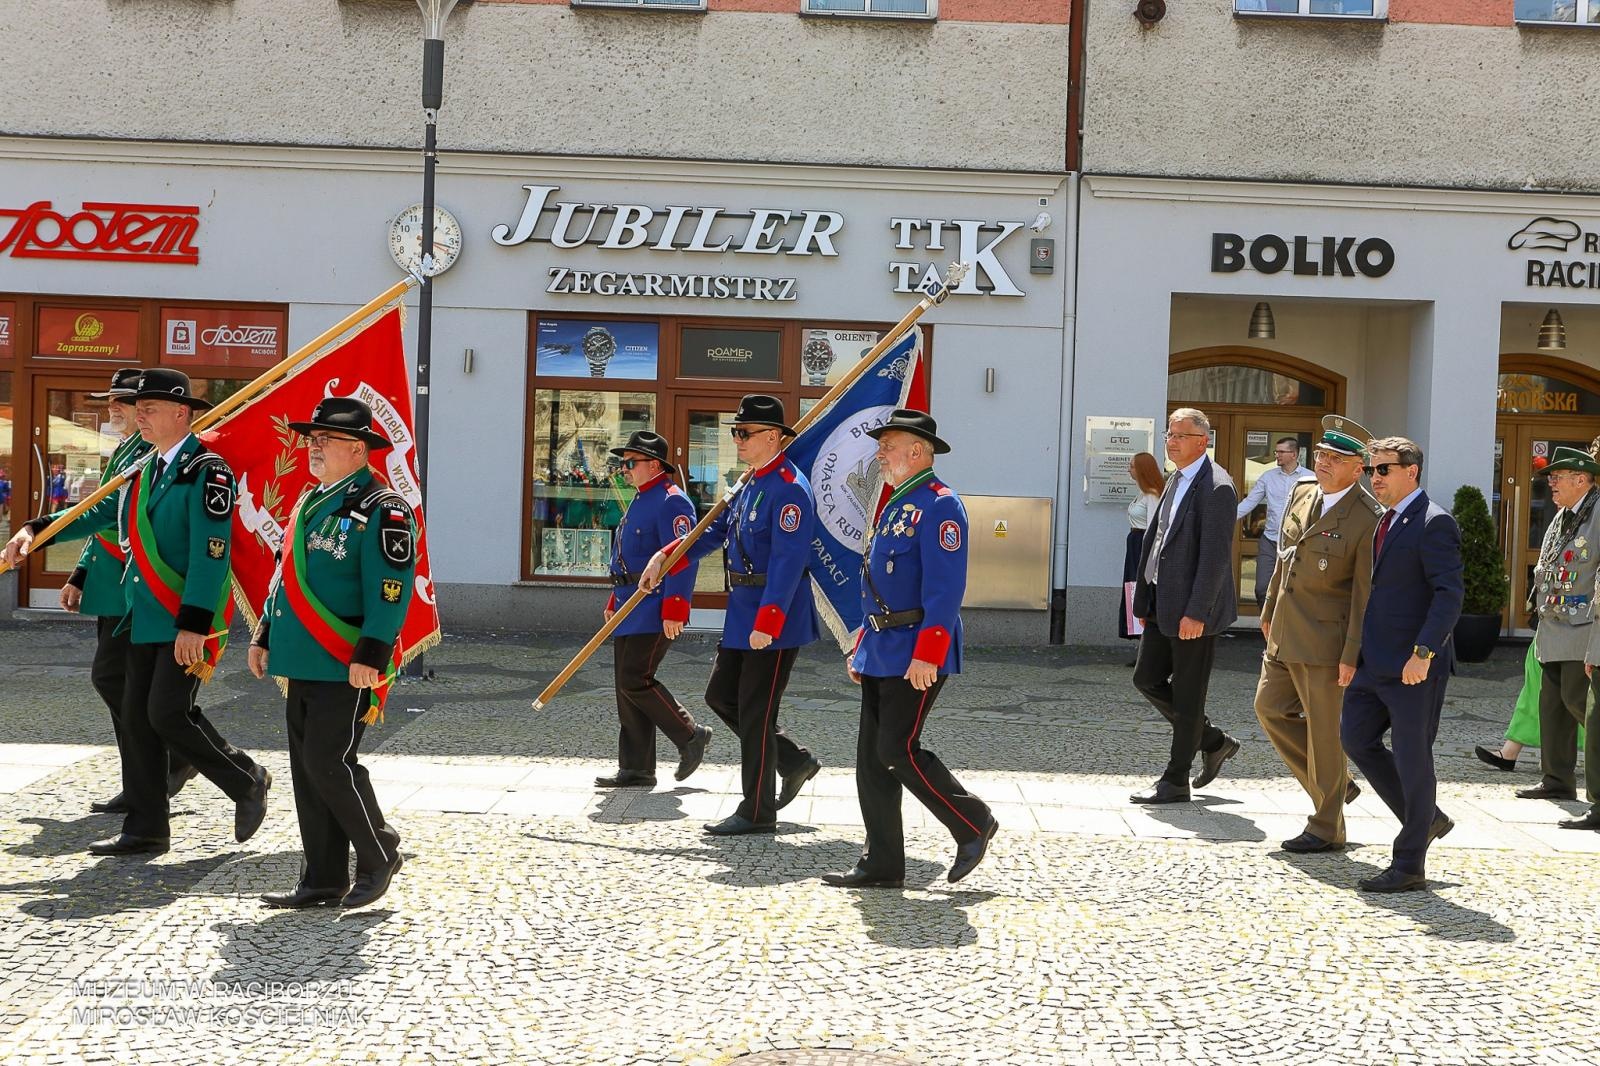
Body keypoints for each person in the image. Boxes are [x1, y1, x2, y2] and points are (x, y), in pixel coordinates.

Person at [21, 369, 270, 856]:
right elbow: (100, 514)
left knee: (167, 714)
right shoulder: (145, 468)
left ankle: (246, 780)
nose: (140, 417)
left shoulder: (208, 471)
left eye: (150, 409)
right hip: (142, 611)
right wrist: (37, 528)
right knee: (136, 717)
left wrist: (195, 623)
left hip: (183, 615)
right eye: (138, 409)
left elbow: (212, 550)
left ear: (182, 414)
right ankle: (146, 828)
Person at [2, 368, 196, 815]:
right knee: (122, 685)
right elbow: (101, 514)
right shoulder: (128, 450)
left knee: (127, 686)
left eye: (123, 402)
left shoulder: (155, 453)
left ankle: (175, 760)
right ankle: (149, 774)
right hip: (116, 584)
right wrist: (80, 570)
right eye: (114, 401)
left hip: (144, 589)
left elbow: (110, 517)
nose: (113, 408)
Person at [248, 398, 414, 908]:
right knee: (307, 766)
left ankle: (377, 853)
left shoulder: (382, 508)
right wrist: (265, 635)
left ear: (359, 449)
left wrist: (371, 653)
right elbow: (285, 578)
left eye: (324, 440)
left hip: (347, 660)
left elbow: (391, 588)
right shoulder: (311, 500)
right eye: (311, 439)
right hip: (302, 658)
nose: (312, 447)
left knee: (330, 761)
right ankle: (322, 877)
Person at [821, 410, 997, 889]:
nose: (879, 453)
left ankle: (971, 822)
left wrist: (930, 652)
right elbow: (877, 581)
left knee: (896, 749)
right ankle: (882, 863)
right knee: (871, 761)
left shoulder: (941, 505)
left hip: (917, 647)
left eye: (888, 445)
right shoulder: (896, 503)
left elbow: (945, 588)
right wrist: (863, 646)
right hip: (883, 646)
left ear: (917, 451)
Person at [640, 395, 821, 836]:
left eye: (746, 433)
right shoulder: (749, 482)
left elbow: (787, 561)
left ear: (774, 437)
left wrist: (769, 622)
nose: (737, 438)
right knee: (721, 697)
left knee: (757, 713)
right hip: (743, 611)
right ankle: (794, 760)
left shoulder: (790, 488)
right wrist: (666, 556)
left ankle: (757, 811)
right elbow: (712, 534)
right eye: (735, 432)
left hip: (772, 617)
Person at [1339, 436, 1463, 892]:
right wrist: (1353, 658)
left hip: (1414, 664)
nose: (1376, 478)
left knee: (1414, 760)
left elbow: (1449, 594)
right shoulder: (1384, 521)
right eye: (1372, 470)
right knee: (1355, 738)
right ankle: (1425, 818)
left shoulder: (1435, 523)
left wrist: (1424, 652)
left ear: (1411, 471)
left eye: (1383, 469)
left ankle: (1409, 864)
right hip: (1374, 662)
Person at [1254, 415, 1382, 853]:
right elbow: (1284, 557)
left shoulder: (1368, 517)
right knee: (1269, 709)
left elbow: (1363, 596)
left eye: (1336, 458)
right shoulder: (1303, 493)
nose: (1323, 463)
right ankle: (1335, 784)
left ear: (1358, 467)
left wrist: (1352, 653)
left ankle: (1327, 826)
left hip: (1327, 642)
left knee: (1326, 735)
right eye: (1322, 455)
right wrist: (1269, 607)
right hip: (1285, 629)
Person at [1129, 408, 1240, 805]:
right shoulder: (1177, 477)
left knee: (1190, 695)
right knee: (1146, 678)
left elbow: (1214, 559)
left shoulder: (1216, 487)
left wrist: (1197, 612)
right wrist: (1144, 598)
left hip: (1194, 609)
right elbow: (1156, 540)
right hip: (1162, 601)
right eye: (1168, 434)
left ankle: (1176, 780)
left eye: (1179, 435)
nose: (1171, 441)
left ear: (1202, 441)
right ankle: (1212, 740)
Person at [594, 430, 712, 790]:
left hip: (655, 604)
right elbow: (628, 555)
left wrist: (676, 606)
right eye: (623, 463)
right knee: (625, 686)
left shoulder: (672, 501)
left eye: (630, 463)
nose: (624, 469)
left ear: (655, 465)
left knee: (636, 678)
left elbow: (682, 557)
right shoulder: (642, 497)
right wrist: (614, 600)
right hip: (630, 602)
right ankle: (636, 767)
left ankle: (691, 734)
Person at [1511, 447, 1600, 808]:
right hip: (1554, 625)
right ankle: (1557, 780)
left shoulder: (1597, 512)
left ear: (1581, 479)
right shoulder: (1564, 515)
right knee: (1552, 707)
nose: (1551, 483)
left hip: (1583, 629)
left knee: (1579, 704)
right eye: (1551, 477)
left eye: (1558, 477)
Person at [1237, 436, 1313, 606]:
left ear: (1294, 454)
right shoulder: (1268, 476)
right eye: (1276, 451)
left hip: (1297, 543)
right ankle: (1268, 630)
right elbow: (1250, 502)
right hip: (1270, 541)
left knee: (1293, 592)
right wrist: (1226, 518)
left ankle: (1283, 631)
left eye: (1281, 452)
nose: (1276, 455)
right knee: (1262, 589)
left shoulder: (1311, 479)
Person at [1119, 452, 1164, 654]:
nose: (1129, 469)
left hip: (1143, 544)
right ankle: (1141, 645)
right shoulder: (1142, 493)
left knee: (1140, 588)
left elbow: (1155, 526)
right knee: (1133, 588)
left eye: (1132, 466)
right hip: (1135, 542)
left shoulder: (1153, 494)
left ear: (1142, 469)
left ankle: (1147, 648)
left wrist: (1149, 554)